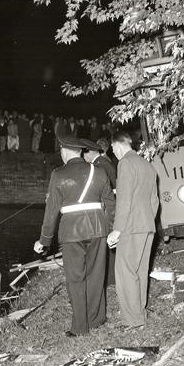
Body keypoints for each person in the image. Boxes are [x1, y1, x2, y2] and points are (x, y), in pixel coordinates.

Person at [33, 134, 115, 337]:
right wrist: (114, 228)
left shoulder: (58, 174)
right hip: (98, 229)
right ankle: (97, 319)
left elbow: (51, 212)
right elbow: (111, 204)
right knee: (96, 275)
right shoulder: (99, 171)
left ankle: (80, 327)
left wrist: (44, 240)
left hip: (71, 232)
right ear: (80, 151)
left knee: (76, 279)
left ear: (65, 151)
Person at [107, 131, 159, 329]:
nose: (113, 152)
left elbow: (124, 200)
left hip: (130, 226)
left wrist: (117, 230)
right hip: (147, 226)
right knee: (140, 271)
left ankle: (133, 320)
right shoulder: (147, 165)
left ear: (118, 145)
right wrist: (147, 220)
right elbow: (154, 200)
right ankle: (140, 314)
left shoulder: (126, 163)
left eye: (113, 149)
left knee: (125, 273)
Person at [81, 138, 118, 287]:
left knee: (106, 245)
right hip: (107, 208)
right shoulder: (102, 163)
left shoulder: (100, 166)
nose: (83, 157)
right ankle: (109, 277)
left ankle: (109, 278)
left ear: (89, 153)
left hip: (105, 210)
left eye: (84, 153)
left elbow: (106, 191)